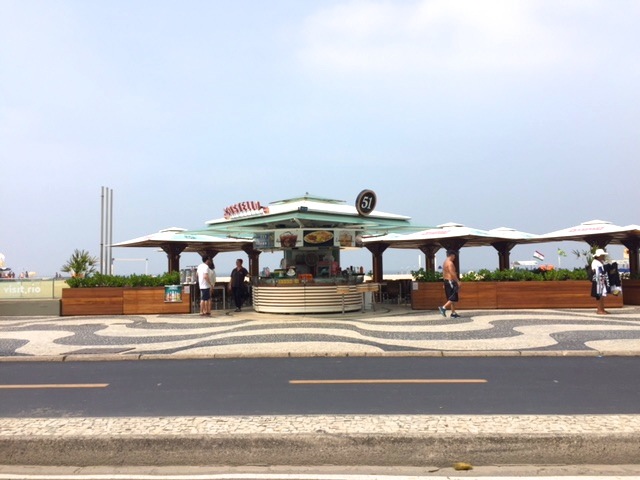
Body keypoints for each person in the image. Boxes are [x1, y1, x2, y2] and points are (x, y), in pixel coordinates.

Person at [439, 250, 461, 318]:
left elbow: (444, 273)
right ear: (451, 255)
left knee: (451, 298)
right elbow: (452, 273)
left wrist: (444, 282)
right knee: (454, 297)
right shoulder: (450, 263)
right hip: (451, 281)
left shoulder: (445, 262)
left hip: (447, 281)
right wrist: (458, 281)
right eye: (454, 256)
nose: (454, 258)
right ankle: (443, 307)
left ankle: (453, 313)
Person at [591, 248, 610, 314]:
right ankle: (599, 310)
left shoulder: (601, 262)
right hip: (597, 281)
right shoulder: (595, 262)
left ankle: (602, 309)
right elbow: (594, 271)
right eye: (602, 255)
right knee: (599, 295)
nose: (603, 256)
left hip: (601, 280)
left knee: (602, 294)